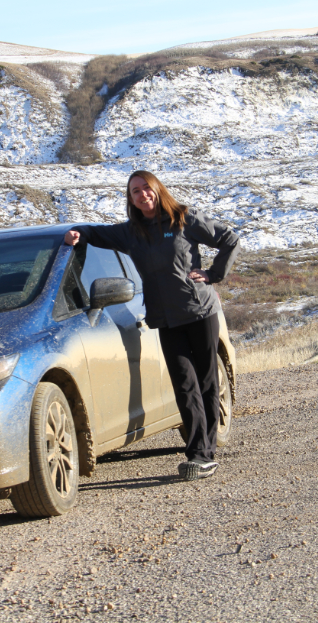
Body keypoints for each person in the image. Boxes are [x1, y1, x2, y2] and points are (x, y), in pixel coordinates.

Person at [64, 170, 240, 481]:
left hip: (199, 311)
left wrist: (213, 274)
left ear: (157, 189)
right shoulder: (131, 232)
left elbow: (229, 239)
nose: (142, 194)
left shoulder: (184, 218)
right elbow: (97, 233)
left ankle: (204, 453)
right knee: (184, 385)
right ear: (130, 199)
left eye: (146, 188)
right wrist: (77, 233)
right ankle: (199, 451)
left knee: (206, 380)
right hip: (164, 318)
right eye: (135, 191)